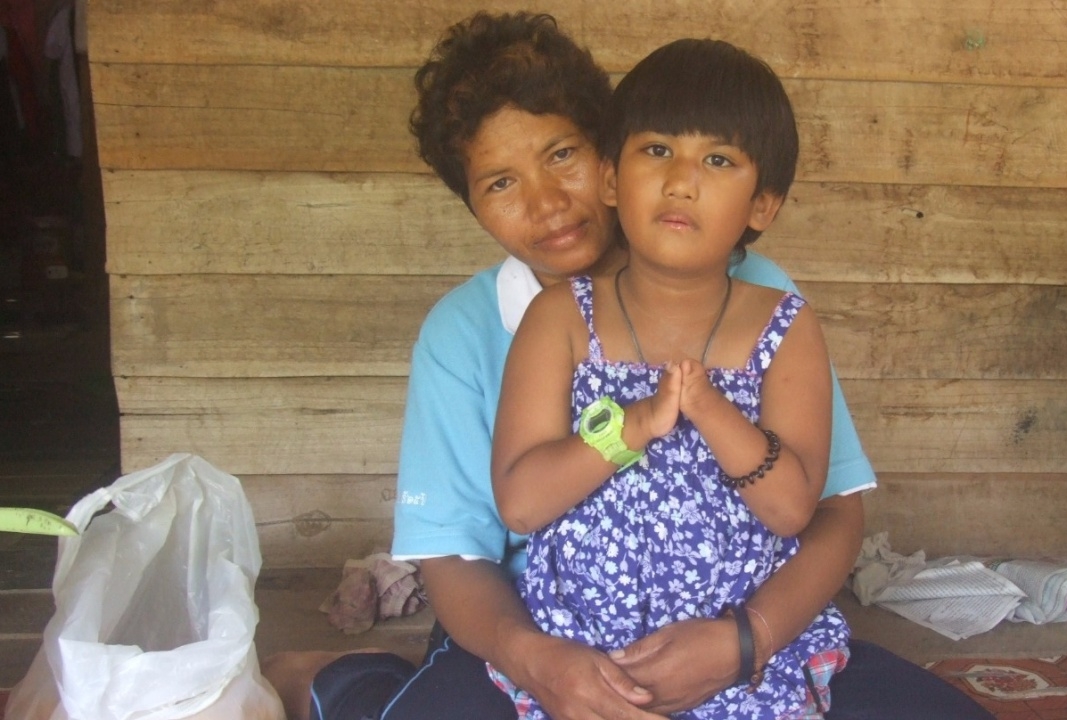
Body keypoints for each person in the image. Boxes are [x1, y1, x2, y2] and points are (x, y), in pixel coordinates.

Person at [262, 12, 994, 720]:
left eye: (562, 156)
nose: (547, 204)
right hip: (530, 629)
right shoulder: (463, 333)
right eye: (500, 183)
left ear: (606, 160)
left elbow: (827, 509)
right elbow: (458, 557)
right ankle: (345, 686)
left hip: (742, 624)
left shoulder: (761, 299)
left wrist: (748, 640)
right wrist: (542, 663)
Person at [487, 38, 849, 720]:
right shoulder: (561, 319)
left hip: (738, 663)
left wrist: (711, 411)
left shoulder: (784, 326)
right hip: (585, 658)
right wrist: (634, 426)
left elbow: (792, 509)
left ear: (763, 204)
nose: (682, 181)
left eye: (719, 160)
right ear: (609, 180)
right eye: (657, 149)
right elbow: (521, 504)